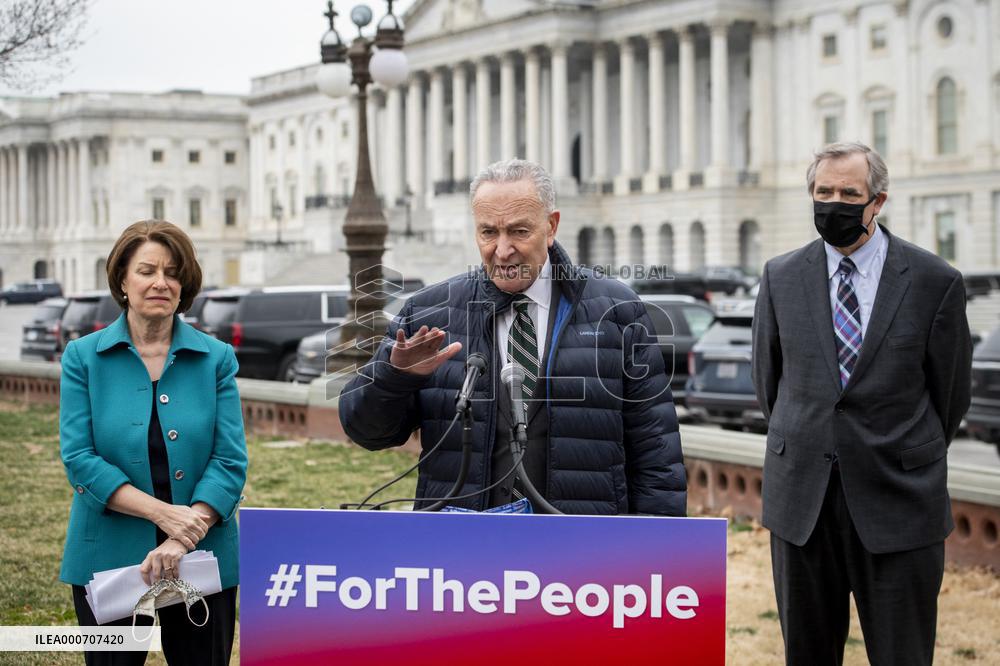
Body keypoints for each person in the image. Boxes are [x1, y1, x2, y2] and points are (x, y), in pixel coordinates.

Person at [339, 158, 686, 515]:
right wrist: (394, 379)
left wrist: (656, 550)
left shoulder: (618, 311)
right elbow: (367, 432)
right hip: (463, 557)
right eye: (489, 232)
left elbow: (656, 452)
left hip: (582, 555)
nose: (502, 250)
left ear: (551, 227)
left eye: (519, 231)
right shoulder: (428, 313)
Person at [752, 142, 972, 665]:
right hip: (802, 506)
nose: (834, 203)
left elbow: (950, 396)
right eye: (823, 191)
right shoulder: (780, 277)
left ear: (878, 201)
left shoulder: (934, 281)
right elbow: (770, 386)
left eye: (849, 193)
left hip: (899, 504)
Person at [59, 221, 247, 665]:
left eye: (173, 272)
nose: (161, 282)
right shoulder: (83, 358)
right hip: (108, 554)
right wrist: (163, 515)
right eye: (146, 270)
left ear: (186, 285)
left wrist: (182, 537)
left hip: (203, 553)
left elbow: (230, 460)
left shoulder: (216, 358)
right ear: (122, 279)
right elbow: (80, 458)